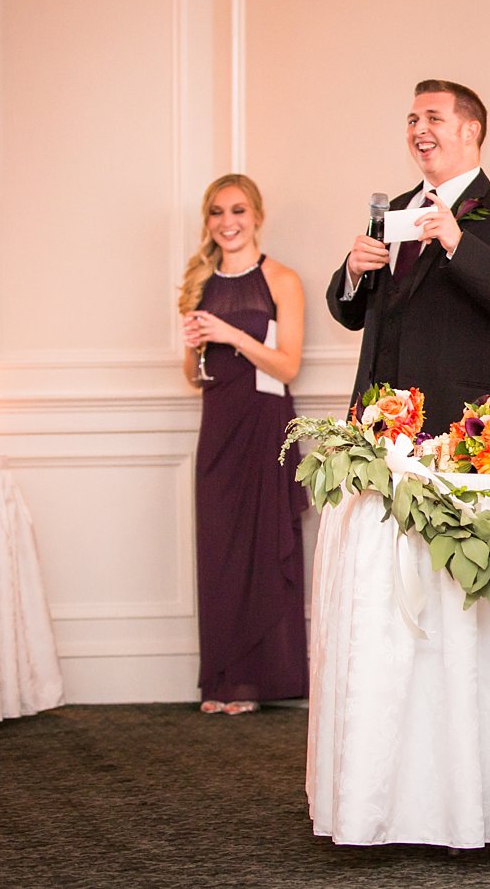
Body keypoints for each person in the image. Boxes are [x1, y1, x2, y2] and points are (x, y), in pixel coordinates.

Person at [328, 79, 490, 432]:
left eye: (433, 119)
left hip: (461, 425)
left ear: (470, 130)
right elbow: (352, 315)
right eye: (412, 121)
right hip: (377, 427)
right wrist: (353, 273)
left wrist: (461, 246)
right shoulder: (395, 210)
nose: (419, 129)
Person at [179, 174, 308, 716]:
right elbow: (193, 375)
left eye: (237, 211)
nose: (227, 222)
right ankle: (223, 681)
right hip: (219, 422)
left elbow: (289, 365)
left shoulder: (281, 279)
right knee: (219, 552)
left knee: (262, 545)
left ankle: (258, 682)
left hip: (265, 421)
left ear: (256, 215)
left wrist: (234, 335)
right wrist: (192, 348)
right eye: (216, 213)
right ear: (207, 221)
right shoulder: (198, 283)